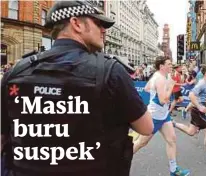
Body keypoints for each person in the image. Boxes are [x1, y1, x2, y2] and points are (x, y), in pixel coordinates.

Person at [1, 1, 153, 176]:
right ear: (76, 24)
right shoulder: (111, 71)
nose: (104, 30)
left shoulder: (17, 71)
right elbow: (146, 127)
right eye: (98, 23)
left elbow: (2, 137)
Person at [133, 57, 190, 176]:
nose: (171, 66)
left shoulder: (163, 76)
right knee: (141, 143)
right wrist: (169, 87)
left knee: (172, 139)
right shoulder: (159, 79)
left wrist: (163, 88)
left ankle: (174, 170)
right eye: (169, 64)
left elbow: (147, 88)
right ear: (161, 66)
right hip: (154, 117)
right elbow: (163, 100)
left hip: (163, 116)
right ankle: (117, 162)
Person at [173, 65, 206, 167]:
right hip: (198, 112)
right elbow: (191, 95)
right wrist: (200, 107)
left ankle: (172, 123)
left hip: (202, 111)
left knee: (191, 132)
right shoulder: (202, 83)